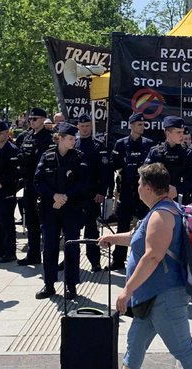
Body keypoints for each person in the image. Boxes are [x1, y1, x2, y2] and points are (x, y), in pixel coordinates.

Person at [98, 163, 192, 369]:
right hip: (150, 296)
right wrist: (113, 238)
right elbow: (138, 237)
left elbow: (153, 255)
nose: (137, 187)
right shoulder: (160, 210)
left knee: (183, 349)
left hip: (165, 297)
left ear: (148, 188)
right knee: (135, 345)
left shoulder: (161, 215)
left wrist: (127, 291)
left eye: (139, 183)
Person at [35, 122, 91, 300]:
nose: (74, 141)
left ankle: (71, 285)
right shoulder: (47, 156)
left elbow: (83, 183)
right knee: (50, 247)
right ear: (60, 138)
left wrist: (65, 196)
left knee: (72, 246)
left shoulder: (79, 157)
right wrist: (54, 196)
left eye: (74, 139)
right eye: (70, 138)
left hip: (71, 208)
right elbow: (38, 182)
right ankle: (49, 284)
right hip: (50, 208)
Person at [110, 113, 156, 271]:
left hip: (144, 192)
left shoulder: (149, 144)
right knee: (122, 225)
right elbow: (113, 163)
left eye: (143, 125)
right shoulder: (121, 144)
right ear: (131, 125)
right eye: (138, 125)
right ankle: (118, 260)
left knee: (145, 225)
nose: (142, 127)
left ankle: (144, 260)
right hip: (127, 190)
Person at [15, 107, 54, 266]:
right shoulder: (27, 137)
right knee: (30, 220)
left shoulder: (48, 139)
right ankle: (33, 254)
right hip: (28, 183)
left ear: (44, 120)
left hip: (42, 185)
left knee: (45, 221)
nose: (31, 122)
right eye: (30, 119)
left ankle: (49, 255)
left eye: (35, 119)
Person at [75, 113, 109, 272]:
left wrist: (102, 192)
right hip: (74, 195)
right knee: (72, 229)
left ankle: (94, 261)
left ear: (91, 126)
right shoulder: (72, 144)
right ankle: (71, 258)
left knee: (91, 229)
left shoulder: (98, 146)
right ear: (78, 127)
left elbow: (105, 172)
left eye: (87, 126)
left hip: (92, 195)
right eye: (82, 126)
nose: (85, 129)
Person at [144, 116, 192, 205]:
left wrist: (177, 190)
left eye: (182, 132)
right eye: (178, 132)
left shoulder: (188, 153)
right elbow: (145, 176)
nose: (182, 135)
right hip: (158, 201)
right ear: (168, 133)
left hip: (182, 202)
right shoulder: (155, 152)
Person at [0, 120, 20, 263]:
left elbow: (15, 171)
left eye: (0, 133)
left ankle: (10, 251)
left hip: (6, 190)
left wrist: (3, 181)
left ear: (7, 134)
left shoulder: (12, 149)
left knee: (6, 222)